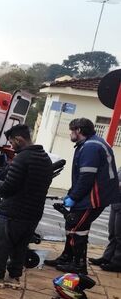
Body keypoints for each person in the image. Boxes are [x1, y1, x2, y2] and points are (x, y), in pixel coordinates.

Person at [0, 124, 53, 288]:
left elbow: (8, 188)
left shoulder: (22, 158)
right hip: (34, 213)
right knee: (20, 247)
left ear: (19, 139)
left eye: (11, 142)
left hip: (14, 211)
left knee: (1, 245)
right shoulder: (45, 158)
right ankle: (14, 277)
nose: (11, 146)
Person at [44, 118, 119, 275]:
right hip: (92, 195)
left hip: (94, 197)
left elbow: (86, 177)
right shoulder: (90, 143)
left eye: (72, 130)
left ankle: (79, 266)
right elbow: (82, 176)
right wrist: (72, 194)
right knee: (72, 225)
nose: (70, 133)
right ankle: (67, 258)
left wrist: (74, 197)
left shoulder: (91, 147)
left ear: (78, 130)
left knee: (77, 228)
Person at [90, 167, 121, 272]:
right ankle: (107, 257)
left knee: (119, 235)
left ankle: (117, 262)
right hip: (116, 202)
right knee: (113, 233)